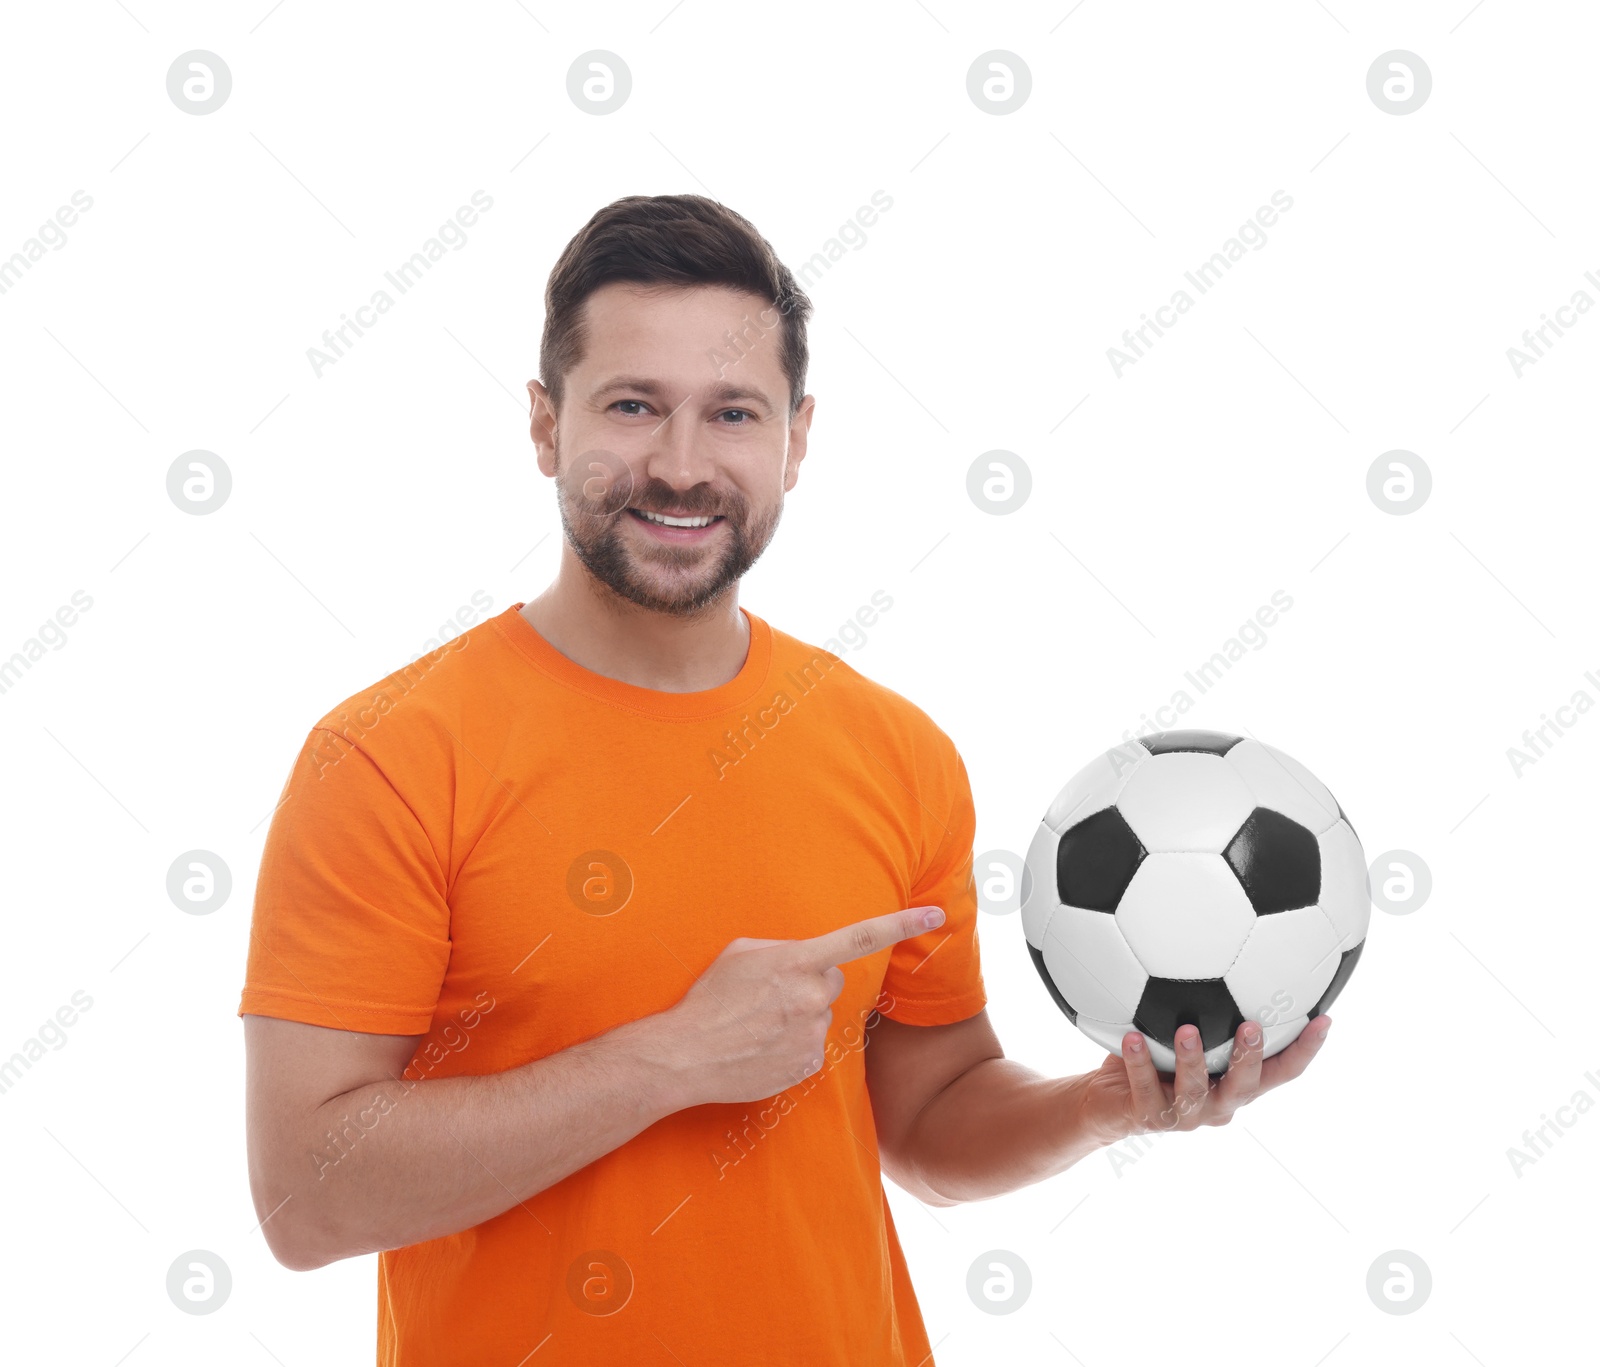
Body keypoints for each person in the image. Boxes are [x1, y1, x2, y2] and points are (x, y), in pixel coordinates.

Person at [238, 193, 1332, 1366]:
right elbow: (308, 1198)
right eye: (632, 405)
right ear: (545, 425)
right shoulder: (390, 755)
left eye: (732, 413)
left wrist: (1107, 1104)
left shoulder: (893, 750)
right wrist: (667, 1058)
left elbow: (924, 1117)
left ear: (796, 439)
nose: (680, 464)